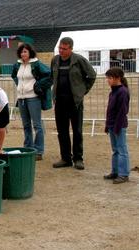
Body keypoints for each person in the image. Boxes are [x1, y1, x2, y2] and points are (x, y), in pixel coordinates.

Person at [51, 37, 96, 170]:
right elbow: (51, 77)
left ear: (71, 48)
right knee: (62, 131)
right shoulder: (55, 60)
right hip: (60, 102)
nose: (61, 51)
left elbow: (92, 75)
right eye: (60, 48)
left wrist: (82, 91)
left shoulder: (79, 60)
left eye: (64, 49)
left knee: (77, 131)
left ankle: (78, 158)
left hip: (75, 102)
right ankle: (65, 158)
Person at [11, 43, 52, 161]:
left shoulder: (36, 64)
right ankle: (28, 148)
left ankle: (39, 151)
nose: (23, 54)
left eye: (25, 51)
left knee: (37, 125)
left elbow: (49, 74)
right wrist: (19, 85)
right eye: (21, 52)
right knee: (26, 125)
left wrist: (38, 85)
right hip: (21, 97)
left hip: (33, 97)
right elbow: (14, 76)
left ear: (30, 53)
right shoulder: (17, 65)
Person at [103, 67, 130, 184]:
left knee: (122, 150)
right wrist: (107, 125)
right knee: (115, 150)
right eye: (107, 78)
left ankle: (124, 174)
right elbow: (110, 111)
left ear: (118, 78)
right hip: (112, 125)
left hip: (119, 126)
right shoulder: (113, 92)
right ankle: (115, 171)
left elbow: (122, 112)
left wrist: (117, 127)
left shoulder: (122, 92)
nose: (108, 80)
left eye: (110, 78)